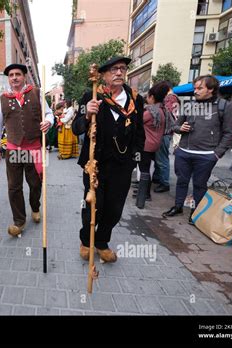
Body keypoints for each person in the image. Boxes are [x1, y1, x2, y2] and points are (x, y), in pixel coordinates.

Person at [72, 56, 145, 262]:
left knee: (114, 208)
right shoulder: (92, 95)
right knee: (93, 204)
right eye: (114, 69)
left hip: (122, 165)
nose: (119, 73)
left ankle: (102, 242)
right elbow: (75, 128)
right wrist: (87, 115)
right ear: (103, 75)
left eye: (122, 69)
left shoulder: (135, 99)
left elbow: (140, 133)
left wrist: (136, 159)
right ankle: (86, 240)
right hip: (95, 163)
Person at [162, 75, 232, 223]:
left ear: (211, 89)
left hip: (207, 154)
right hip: (184, 151)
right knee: (181, 181)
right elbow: (174, 126)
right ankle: (178, 206)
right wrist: (180, 128)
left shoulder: (224, 106)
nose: (195, 91)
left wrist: (217, 154)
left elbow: (230, 133)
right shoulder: (189, 104)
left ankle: (196, 211)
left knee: (199, 184)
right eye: (194, 88)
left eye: (199, 88)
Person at [0, 63, 54, 237]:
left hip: (34, 149)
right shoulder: (2, 98)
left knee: (35, 184)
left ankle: (35, 206)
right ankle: (19, 221)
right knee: (14, 187)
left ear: (24, 76)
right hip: (13, 149)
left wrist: (48, 121)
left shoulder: (36, 93)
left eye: (17, 74)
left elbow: (49, 114)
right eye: (11, 75)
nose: (14, 78)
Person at [134, 81, 170, 209]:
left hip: (146, 144)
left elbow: (136, 122)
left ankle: (145, 194)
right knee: (148, 169)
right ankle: (144, 191)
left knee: (144, 170)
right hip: (155, 144)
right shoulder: (161, 110)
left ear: (152, 97)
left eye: (148, 96)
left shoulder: (150, 112)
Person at [152, 81, 179, 193]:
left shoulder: (170, 98)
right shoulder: (172, 98)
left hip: (165, 132)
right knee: (159, 158)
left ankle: (164, 183)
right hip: (165, 132)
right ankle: (158, 178)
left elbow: (164, 113)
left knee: (162, 159)